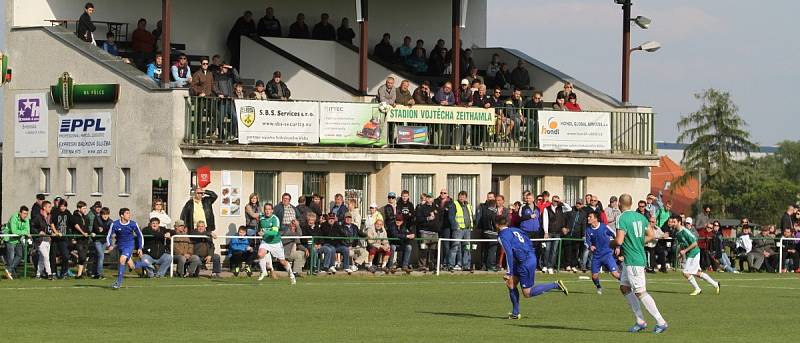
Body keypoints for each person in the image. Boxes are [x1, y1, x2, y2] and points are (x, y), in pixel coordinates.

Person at [611, 194, 669, 333]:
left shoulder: (621, 217)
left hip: (633, 260)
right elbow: (651, 235)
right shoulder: (641, 217)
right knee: (624, 287)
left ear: (619, 204)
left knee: (640, 292)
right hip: (635, 258)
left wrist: (610, 244)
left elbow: (619, 241)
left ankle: (661, 321)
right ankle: (640, 320)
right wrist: (637, 243)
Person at [498, 216, 568, 320]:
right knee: (511, 283)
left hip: (524, 262)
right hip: (525, 258)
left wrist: (509, 272)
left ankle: (555, 285)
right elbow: (527, 239)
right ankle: (515, 313)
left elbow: (508, 254)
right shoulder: (515, 229)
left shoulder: (502, 235)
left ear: (496, 225)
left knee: (527, 293)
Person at [670, 215, 720, 295]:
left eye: (674, 222)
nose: (672, 223)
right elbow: (682, 245)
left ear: (679, 222)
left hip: (694, 252)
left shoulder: (685, 231)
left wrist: (685, 251)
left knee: (685, 272)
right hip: (690, 253)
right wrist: (681, 253)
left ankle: (698, 289)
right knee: (697, 273)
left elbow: (695, 243)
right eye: (672, 222)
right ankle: (716, 284)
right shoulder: (677, 233)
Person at [105, 208, 147, 290]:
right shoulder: (115, 224)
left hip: (129, 245)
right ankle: (146, 264)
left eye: (129, 213)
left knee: (122, 260)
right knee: (132, 266)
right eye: (127, 213)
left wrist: (140, 247)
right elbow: (108, 235)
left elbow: (140, 235)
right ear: (121, 215)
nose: (129, 215)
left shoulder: (133, 224)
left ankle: (118, 283)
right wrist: (109, 244)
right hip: (120, 246)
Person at [257, 203, 297, 284]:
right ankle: (264, 272)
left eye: (269, 209)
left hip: (275, 243)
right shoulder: (261, 218)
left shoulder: (275, 219)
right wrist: (259, 232)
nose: (267, 211)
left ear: (272, 210)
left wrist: (265, 233)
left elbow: (275, 232)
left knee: (282, 261)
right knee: (260, 254)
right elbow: (259, 229)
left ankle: (291, 275)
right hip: (266, 241)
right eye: (266, 209)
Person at [585, 212, 621, 294]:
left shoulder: (604, 227)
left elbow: (615, 235)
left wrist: (618, 247)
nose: (588, 218)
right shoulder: (588, 229)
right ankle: (599, 287)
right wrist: (590, 246)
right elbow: (587, 241)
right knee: (594, 276)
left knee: (615, 274)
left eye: (590, 217)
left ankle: (628, 283)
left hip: (607, 254)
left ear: (595, 218)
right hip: (596, 256)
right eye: (588, 217)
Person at [448, 191, 474, 271]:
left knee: (467, 247)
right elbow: (451, 217)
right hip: (458, 230)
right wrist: (456, 227)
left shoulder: (468, 205)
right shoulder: (454, 204)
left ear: (466, 197)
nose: (462, 198)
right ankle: (451, 265)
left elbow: (471, 216)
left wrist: (471, 227)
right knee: (455, 247)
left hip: (467, 229)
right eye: (460, 196)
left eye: (463, 197)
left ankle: (466, 265)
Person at [4, 206, 30, 279]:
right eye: (24, 213)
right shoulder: (13, 218)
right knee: (11, 258)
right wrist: (23, 232)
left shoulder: (26, 219)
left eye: (26, 214)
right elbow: (13, 231)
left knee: (20, 255)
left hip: (18, 239)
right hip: (9, 239)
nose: (25, 215)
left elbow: (27, 230)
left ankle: (9, 270)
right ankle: (11, 274)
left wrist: (23, 232)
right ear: (20, 213)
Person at [70, 201, 92, 279]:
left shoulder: (86, 217)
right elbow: (76, 226)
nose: (85, 210)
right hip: (78, 239)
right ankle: (75, 259)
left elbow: (87, 228)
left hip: (85, 239)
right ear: (79, 208)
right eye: (83, 208)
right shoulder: (74, 216)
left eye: (85, 208)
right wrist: (82, 233)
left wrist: (91, 233)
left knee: (83, 256)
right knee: (82, 256)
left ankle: (79, 274)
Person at [51, 200, 72, 279]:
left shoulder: (68, 213)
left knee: (66, 256)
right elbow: (52, 223)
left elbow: (73, 223)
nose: (63, 208)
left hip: (63, 239)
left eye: (64, 206)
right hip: (55, 238)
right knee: (53, 256)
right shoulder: (55, 212)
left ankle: (63, 273)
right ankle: (54, 273)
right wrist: (56, 232)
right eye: (61, 206)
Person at [91, 207, 112, 279]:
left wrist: (102, 230)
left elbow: (109, 232)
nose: (105, 216)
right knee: (101, 255)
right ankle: (99, 274)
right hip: (97, 240)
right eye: (103, 214)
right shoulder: (97, 218)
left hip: (104, 241)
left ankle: (94, 273)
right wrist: (98, 230)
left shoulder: (110, 222)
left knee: (98, 256)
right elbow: (96, 229)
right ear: (101, 214)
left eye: (107, 214)